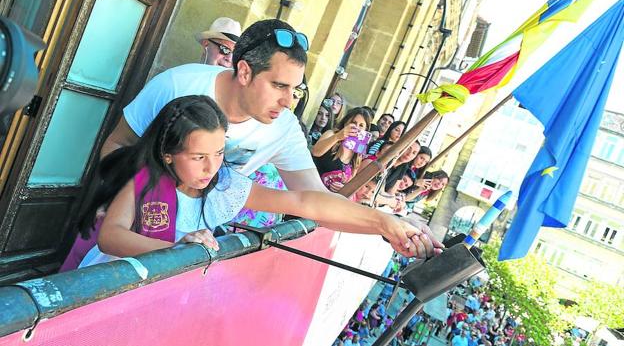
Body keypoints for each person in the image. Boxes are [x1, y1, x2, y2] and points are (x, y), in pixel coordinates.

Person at [100, 18, 441, 255]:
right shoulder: (179, 84)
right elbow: (116, 145)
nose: (288, 100)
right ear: (244, 70)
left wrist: (386, 224)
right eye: (279, 85)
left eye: (295, 88)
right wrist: (131, 208)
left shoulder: (275, 138)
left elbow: (310, 201)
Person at [79, 96, 443, 266]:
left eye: (219, 153)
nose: (211, 167)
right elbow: (111, 236)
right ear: (168, 154)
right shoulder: (146, 180)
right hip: (109, 281)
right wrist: (176, 249)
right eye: (198, 157)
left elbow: (305, 202)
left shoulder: (222, 186)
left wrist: (385, 225)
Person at [311, 107, 371, 193]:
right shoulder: (331, 134)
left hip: (327, 198)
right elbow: (315, 152)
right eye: (354, 123)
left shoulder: (358, 152)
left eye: (361, 125)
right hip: (310, 186)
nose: (357, 128)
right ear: (346, 122)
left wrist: (342, 188)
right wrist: (338, 136)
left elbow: (350, 181)